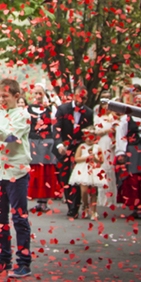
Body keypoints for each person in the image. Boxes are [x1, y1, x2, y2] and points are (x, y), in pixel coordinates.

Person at [0, 78, 33, 278]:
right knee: (0, 219)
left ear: (16, 96)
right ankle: (3, 259)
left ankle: (24, 262)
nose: (1, 99)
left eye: (5, 96)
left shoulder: (23, 115)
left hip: (16, 172)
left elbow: (11, 137)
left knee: (19, 218)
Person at [68, 105, 116, 220]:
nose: (89, 139)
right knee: (84, 191)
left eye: (91, 137)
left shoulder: (97, 148)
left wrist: (94, 158)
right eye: (87, 137)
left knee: (93, 191)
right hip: (83, 169)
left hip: (94, 169)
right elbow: (76, 158)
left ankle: (94, 211)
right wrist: (86, 157)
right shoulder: (82, 146)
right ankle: (85, 206)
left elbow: (101, 160)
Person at [115, 93, 141, 217]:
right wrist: (121, 152)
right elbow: (121, 136)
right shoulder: (126, 119)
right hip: (132, 151)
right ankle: (136, 208)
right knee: (133, 178)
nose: (138, 104)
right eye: (136, 102)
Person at [54, 91, 93, 219]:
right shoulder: (62, 109)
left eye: (84, 98)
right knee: (65, 176)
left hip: (79, 147)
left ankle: (74, 207)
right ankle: (70, 201)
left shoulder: (89, 112)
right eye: (79, 97)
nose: (81, 100)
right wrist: (59, 145)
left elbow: (89, 131)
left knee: (77, 176)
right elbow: (57, 128)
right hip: (64, 146)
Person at [26, 89, 62, 212]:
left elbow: (55, 127)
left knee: (46, 171)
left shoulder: (52, 110)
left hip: (47, 143)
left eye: (40, 93)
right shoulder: (28, 109)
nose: (38, 96)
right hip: (33, 142)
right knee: (34, 171)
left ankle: (44, 201)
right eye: (36, 93)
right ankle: (37, 200)